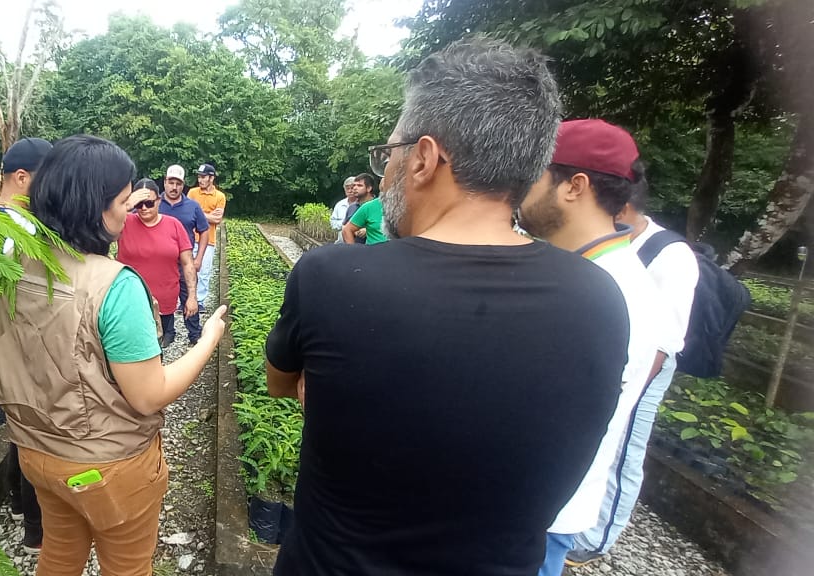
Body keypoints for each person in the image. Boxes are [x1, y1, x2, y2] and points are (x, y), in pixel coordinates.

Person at [264, 38, 631, 576]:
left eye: (387, 154)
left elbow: (282, 383)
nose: (384, 171)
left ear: (425, 158)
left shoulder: (333, 276)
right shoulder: (602, 299)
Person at [0, 135, 228, 576]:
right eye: (122, 200)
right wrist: (208, 338)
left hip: (37, 452)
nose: (128, 210)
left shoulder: (15, 262)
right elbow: (148, 395)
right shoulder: (114, 285)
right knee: (128, 567)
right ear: (95, 207)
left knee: (60, 551)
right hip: (105, 467)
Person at [517, 119, 667, 576]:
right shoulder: (583, 274)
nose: (518, 189)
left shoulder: (611, 290)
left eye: (532, 176)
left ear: (573, 186)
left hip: (534, 518)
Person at [568, 135, 700, 567]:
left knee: (624, 445)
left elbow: (665, 338)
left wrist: (626, 397)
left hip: (651, 362)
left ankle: (600, 537)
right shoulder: (614, 245)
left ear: (621, 207)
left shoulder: (672, 254)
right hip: (616, 352)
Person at [0, 137, 52, 554]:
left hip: (1, 342)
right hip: (26, 345)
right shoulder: (23, 227)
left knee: (16, 428)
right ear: (22, 178)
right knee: (34, 434)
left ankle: (16, 505)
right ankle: (35, 530)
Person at [118, 178, 198, 348]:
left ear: (159, 201)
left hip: (165, 300)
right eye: (139, 204)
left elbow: (187, 263)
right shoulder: (123, 222)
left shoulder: (174, 225)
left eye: (149, 203)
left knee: (158, 346)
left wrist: (191, 296)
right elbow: (95, 222)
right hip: (130, 299)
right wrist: (125, 207)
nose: (144, 208)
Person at [158, 164, 209, 344]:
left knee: (189, 296)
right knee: (164, 298)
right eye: (170, 182)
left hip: (185, 262)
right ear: (164, 182)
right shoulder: (154, 203)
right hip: (161, 264)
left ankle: (194, 333)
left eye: (178, 183)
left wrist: (199, 257)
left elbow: (204, 230)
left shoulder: (192, 206)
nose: (174, 187)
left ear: (183, 185)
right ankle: (168, 332)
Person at [187, 163, 227, 307]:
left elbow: (217, 219)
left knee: (204, 272)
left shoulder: (220, 196)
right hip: (190, 238)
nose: (200, 180)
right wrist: (207, 215)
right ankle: (186, 299)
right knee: (188, 269)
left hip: (209, 240)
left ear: (211, 178)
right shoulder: (192, 193)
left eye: (203, 177)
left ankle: (200, 301)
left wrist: (199, 214)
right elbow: (188, 214)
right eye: (199, 176)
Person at [340, 173, 377, 244]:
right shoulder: (352, 208)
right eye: (354, 185)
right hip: (356, 249)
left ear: (369, 188)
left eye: (359, 185)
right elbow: (345, 228)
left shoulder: (378, 206)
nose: (355, 188)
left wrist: (368, 230)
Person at [330, 177, 357, 241]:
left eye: (352, 188)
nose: (350, 191)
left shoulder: (363, 204)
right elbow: (333, 223)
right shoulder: (339, 205)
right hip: (341, 243)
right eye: (347, 189)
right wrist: (343, 225)